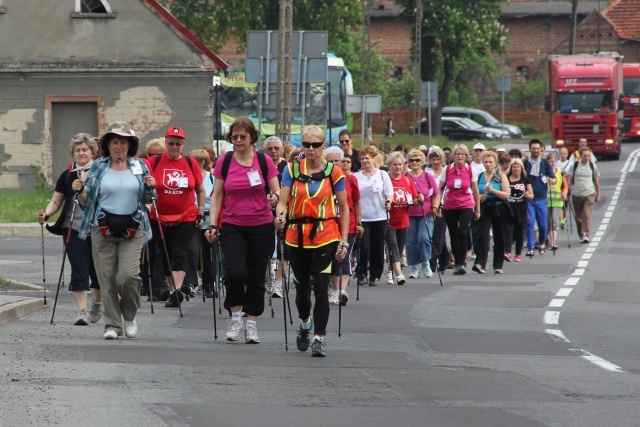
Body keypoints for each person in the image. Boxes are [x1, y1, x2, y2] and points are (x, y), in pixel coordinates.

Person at [74, 121, 156, 340]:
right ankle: (112, 325)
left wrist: (150, 188)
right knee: (107, 278)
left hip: (133, 227)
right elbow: (86, 200)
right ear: (108, 145)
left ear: (130, 146)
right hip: (102, 228)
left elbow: (149, 199)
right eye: (115, 142)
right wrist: (80, 190)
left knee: (128, 276)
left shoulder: (140, 166)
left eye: (123, 142)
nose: (119, 147)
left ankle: (129, 315)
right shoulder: (98, 166)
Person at [274, 125, 349, 357]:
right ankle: (305, 323)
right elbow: (282, 201)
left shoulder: (334, 172)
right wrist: (280, 215)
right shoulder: (292, 170)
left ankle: (319, 337)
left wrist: (344, 241)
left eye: (315, 145)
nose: (310, 149)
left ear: (323, 146)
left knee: (321, 285)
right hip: (296, 234)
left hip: (325, 232)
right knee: (302, 288)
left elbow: (344, 208)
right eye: (306, 144)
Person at [205, 117, 280, 344]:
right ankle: (236, 317)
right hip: (233, 224)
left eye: (243, 136)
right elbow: (217, 196)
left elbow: (277, 191)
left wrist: (274, 198)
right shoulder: (224, 162)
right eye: (235, 136)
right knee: (235, 272)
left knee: (256, 275)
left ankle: (252, 323)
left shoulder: (264, 161)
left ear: (252, 138)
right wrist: (212, 224)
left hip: (261, 224)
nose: (238, 140)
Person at [37, 133, 102, 326]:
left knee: (97, 270)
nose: (81, 153)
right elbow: (57, 200)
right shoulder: (67, 175)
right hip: (71, 227)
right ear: (72, 153)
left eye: (85, 149)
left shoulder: (101, 172)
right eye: (77, 150)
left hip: (97, 228)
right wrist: (46, 215)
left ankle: (97, 303)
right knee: (79, 269)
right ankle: (81, 312)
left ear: (92, 152)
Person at [148, 126, 206, 307]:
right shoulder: (154, 162)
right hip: (159, 216)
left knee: (180, 252)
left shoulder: (190, 163)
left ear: (183, 145)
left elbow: (200, 190)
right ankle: (172, 288)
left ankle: (177, 291)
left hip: (186, 215)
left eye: (178, 144)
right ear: (165, 143)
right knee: (165, 252)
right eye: (171, 143)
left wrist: (201, 210)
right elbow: (143, 185)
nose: (174, 147)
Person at [324, 148, 363, 306]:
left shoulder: (350, 179)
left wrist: (359, 222)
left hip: (349, 223)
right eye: (330, 161)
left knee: (344, 255)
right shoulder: (324, 179)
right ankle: (334, 290)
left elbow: (357, 202)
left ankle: (342, 291)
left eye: (336, 161)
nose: (334, 164)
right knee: (333, 257)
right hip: (330, 224)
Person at [354, 145, 394, 286]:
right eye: (362, 159)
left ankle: (375, 275)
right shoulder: (356, 176)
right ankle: (362, 272)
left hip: (380, 216)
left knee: (377, 247)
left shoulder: (382, 175)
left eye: (367, 158)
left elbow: (389, 193)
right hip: (363, 216)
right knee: (364, 246)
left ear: (373, 159)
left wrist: (388, 202)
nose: (364, 161)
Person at [438, 144, 480, 275]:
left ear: (466, 156)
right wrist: (438, 204)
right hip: (449, 205)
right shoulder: (447, 169)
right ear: (454, 156)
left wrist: (477, 208)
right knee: (453, 234)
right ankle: (457, 262)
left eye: (463, 154)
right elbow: (440, 188)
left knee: (463, 232)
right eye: (457, 154)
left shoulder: (470, 170)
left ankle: (461, 262)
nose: (460, 156)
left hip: (466, 204)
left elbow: (475, 190)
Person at [383, 152, 418, 285]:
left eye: (400, 164)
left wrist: (419, 200)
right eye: (394, 164)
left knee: (399, 247)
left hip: (403, 220)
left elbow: (414, 200)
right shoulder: (385, 179)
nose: (398, 167)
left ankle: (389, 269)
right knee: (393, 247)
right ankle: (399, 274)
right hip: (388, 220)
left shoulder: (407, 180)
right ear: (389, 166)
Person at [405, 149, 440, 279]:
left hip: (426, 213)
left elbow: (436, 194)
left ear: (422, 162)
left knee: (424, 238)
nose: (414, 162)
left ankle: (426, 262)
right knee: (411, 241)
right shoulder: (405, 177)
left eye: (417, 160)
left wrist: (435, 207)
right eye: (411, 160)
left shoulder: (427, 176)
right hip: (409, 213)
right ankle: (414, 266)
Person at [474, 151, 511, 274]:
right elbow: (473, 194)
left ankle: (498, 265)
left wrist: (492, 191)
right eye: (486, 162)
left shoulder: (500, 175)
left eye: (490, 162)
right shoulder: (480, 176)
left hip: (499, 207)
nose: (488, 164)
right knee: (482, 235)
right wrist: (479, 197)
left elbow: (506, 195)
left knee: (499, 236)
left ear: (495, 163)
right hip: (485, 207)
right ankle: (480, 263)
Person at [188, 149, 217, 299]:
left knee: (208, 255)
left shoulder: (211, 178)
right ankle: (191, 283)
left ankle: (209, 285)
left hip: (207, 219)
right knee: (192, 252)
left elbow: (215, 199)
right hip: (191, 219)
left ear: (202, 162)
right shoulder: (188, 178)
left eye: (196, 161)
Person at [523, 139, 556, 256]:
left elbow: (553, 177)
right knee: (530, 222)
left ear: (541, 150)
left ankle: (542, 241)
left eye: (538, 149)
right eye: (533, 148)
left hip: (542, 198)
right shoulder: (525, 163)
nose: (536, 151)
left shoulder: (545, 163)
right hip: (529, 199)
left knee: (543, 224)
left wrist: (552, 180)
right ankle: (531, 247)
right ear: (530, 149)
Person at [264, 136, 287, 299]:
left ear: (282, 150)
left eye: (276, 148)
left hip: (283, 211)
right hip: (263, 211)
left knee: (283, 248)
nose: (273, 151)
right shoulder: (260, 164)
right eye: (270, 148)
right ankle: (265, 277)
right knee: (264, 247)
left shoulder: (288, 167)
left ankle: (278, 283)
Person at [565, 147, 600, 243]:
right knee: (578, 216)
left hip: (589, 193)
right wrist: (568, 192)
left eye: (588, 156)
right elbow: (569, 179)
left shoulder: (593, 166)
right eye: (585, 156)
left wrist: (598, 194)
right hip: (577, 194)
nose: (587, 158)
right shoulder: (574, 165)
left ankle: (585, 234)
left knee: (586, 214)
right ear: (580, 156)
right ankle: (581, 234)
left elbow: (596, 180)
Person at [425, 148, 450, 274]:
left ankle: (433, 262)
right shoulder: (426, 171)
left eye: (437, 159)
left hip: (443, 205)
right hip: (428, 205)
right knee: (433, 235)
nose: (435, 162)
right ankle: (445, 259)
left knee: (438, 235)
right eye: (433, 159)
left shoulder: (446, 171)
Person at [504, 158, 533, 262]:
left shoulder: (525, 180)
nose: (516, 168)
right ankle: (507, 252)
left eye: (518, 167)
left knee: (519, 230)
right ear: (511, 168)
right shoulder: (506, 178)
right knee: (508, 229)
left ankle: (518, 253)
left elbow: (531, 195)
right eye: (514, 167)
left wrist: (528, 195)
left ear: (521, 169)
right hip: (508, 207)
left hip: (521, 207)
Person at [546, 152, 568, 251]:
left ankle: (553, 242)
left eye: (553, 161)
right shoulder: (544, 173)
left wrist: (564, 193)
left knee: (554, 220)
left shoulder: (560, 172)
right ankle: (549, 240)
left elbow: (565, 186)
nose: (552, 163)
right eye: (550, 161)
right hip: (546, 201)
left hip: (557, 200)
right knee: (547, 221)